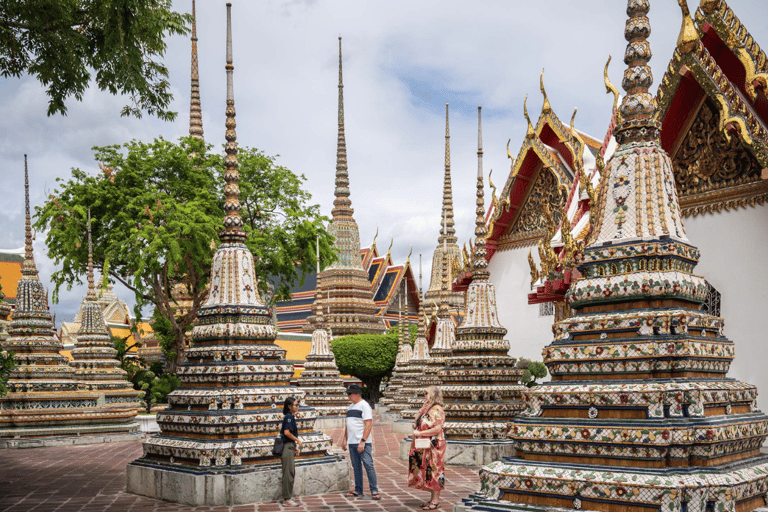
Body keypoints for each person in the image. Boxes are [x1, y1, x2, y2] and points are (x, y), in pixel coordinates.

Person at [408, 385, 446, 510]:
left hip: (434, 445)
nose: (425, 395)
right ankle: (432, 499)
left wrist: (420, 434)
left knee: (434, 470)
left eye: (427, 393)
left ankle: (435, 500)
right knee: (426, 470)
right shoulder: (428, 408)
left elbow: (437, 428)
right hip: (425, 444)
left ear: (433, 395)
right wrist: (421, 411)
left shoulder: (437, 409)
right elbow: (416, 423)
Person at [341, 384, 381, 500]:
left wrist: (363, 441)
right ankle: (358, 489)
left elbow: (368, 424)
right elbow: (348, 425)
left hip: (362, 442)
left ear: (357, 394)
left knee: (368, 465)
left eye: (350, 394)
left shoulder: (364, 406)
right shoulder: (350, 407)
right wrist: (344, 439)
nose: (348, 396)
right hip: (352, 442)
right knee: (356, 466)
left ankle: (374, 490)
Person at [280, 396, 302, 507]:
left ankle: (288, 497)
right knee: (288, 474)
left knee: (291, 473)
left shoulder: (291, 417)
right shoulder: (288, 417)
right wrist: (298, 440)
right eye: (295, 405)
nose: (297, 406)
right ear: (289, 407)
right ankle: (287, 499)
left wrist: (296, 446)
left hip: (290, 446)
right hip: (287, 448)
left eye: (297, 404)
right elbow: (287, 433)